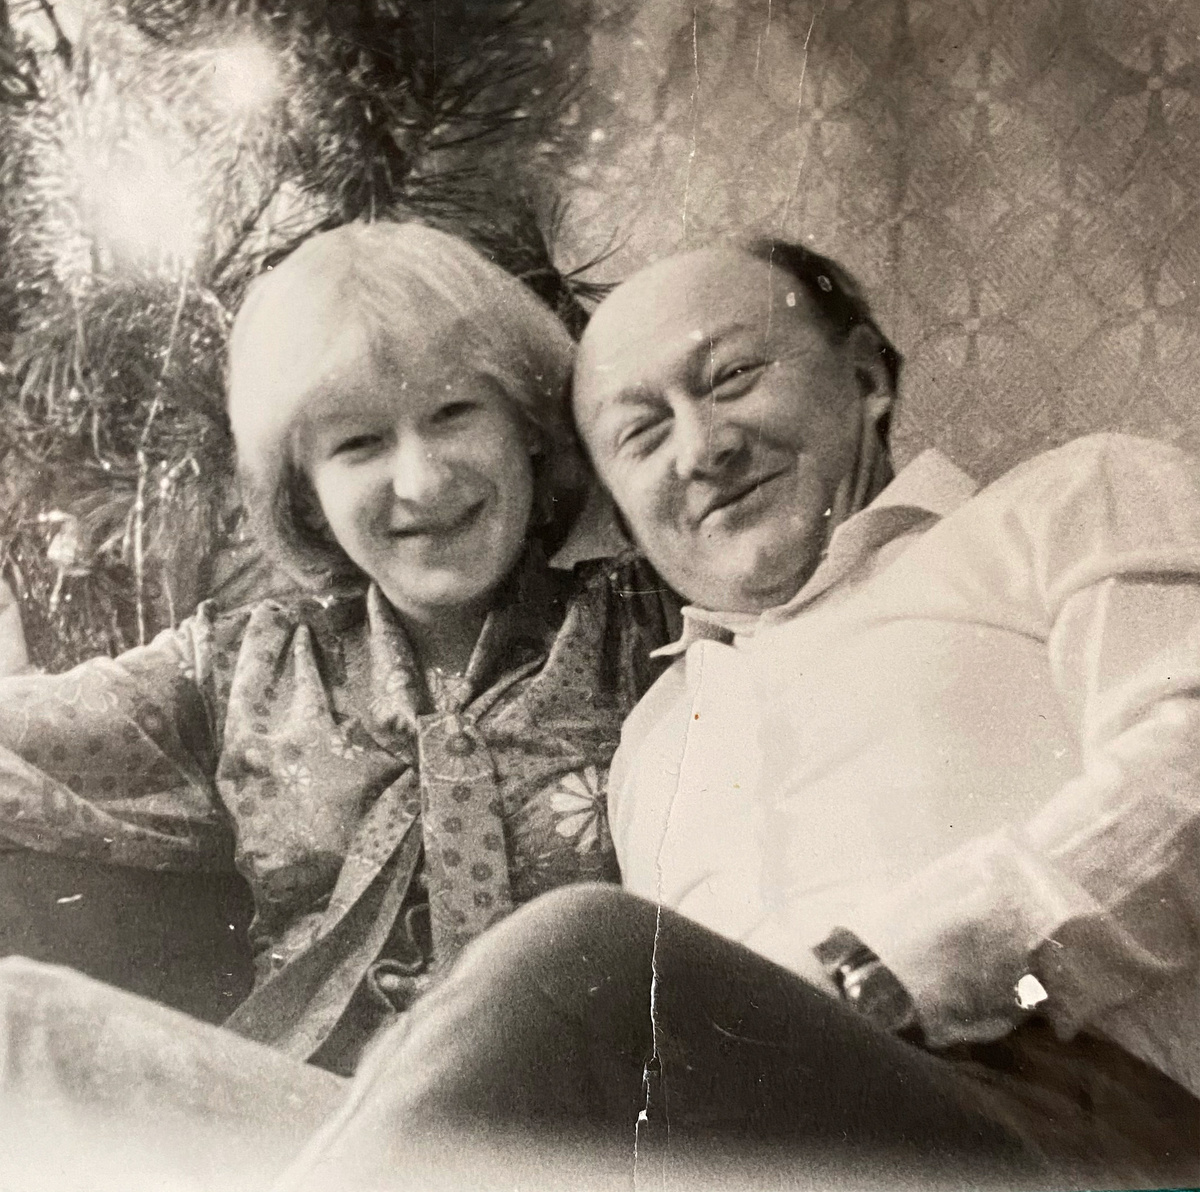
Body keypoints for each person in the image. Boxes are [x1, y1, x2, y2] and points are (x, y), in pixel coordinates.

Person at [278, 238, 1200, 1191]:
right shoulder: (654, 735)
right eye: (642, 435)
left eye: (731, 378)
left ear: (866, 375)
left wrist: (882, 972)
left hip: (1082, 1130)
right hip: (751, 1161)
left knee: (576, 957)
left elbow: (1185, 780)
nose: (702, 449)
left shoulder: (1071, 500)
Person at [0, 220, 679, 1177]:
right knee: (21, 1025)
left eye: (453, 412)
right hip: (306, 1139)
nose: (422, 479)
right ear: (304, 490)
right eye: (359, 443)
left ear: (529, 427)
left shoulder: (652, 621)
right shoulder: (239, 667)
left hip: (579, 1149)